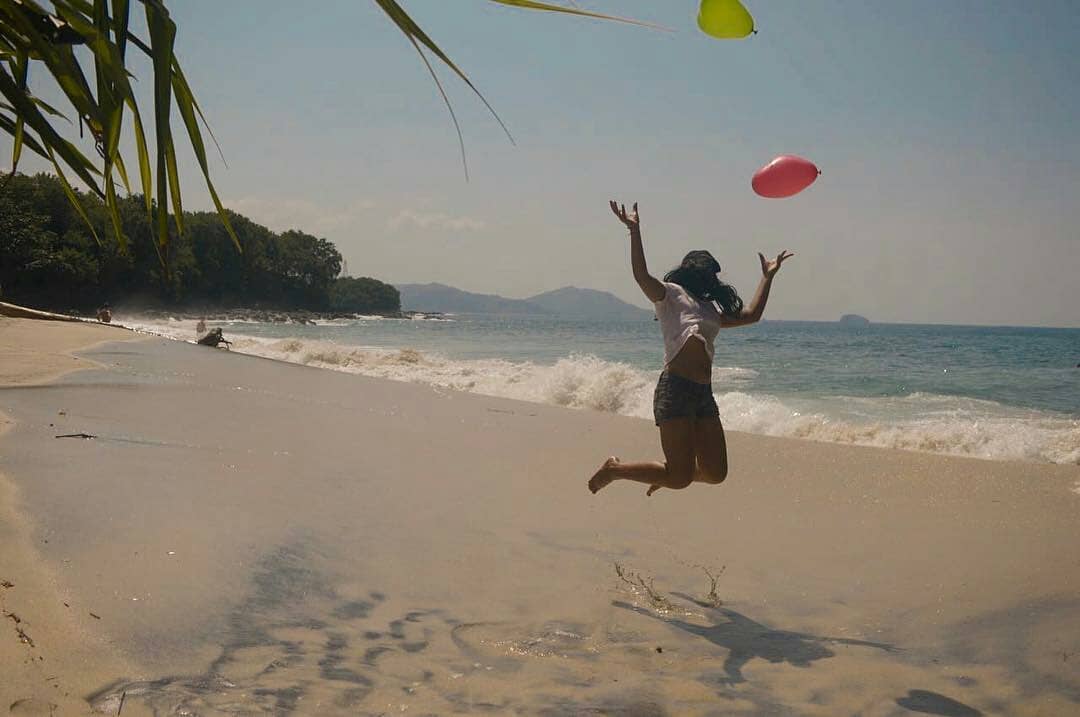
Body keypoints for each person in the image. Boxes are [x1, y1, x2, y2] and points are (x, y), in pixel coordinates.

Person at [589, 201, 794, 496]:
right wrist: (634, 231)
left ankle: (667, 473)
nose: (711, 279)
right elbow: (641, 276)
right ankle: (615, 470)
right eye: (707, 273)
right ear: (693, 272)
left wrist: (767, 276)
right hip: (675, 389)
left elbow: (751, 316)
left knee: (715, 473)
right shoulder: (670, 296)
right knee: (681, 478)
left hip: (702, 393)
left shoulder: (709, 310)